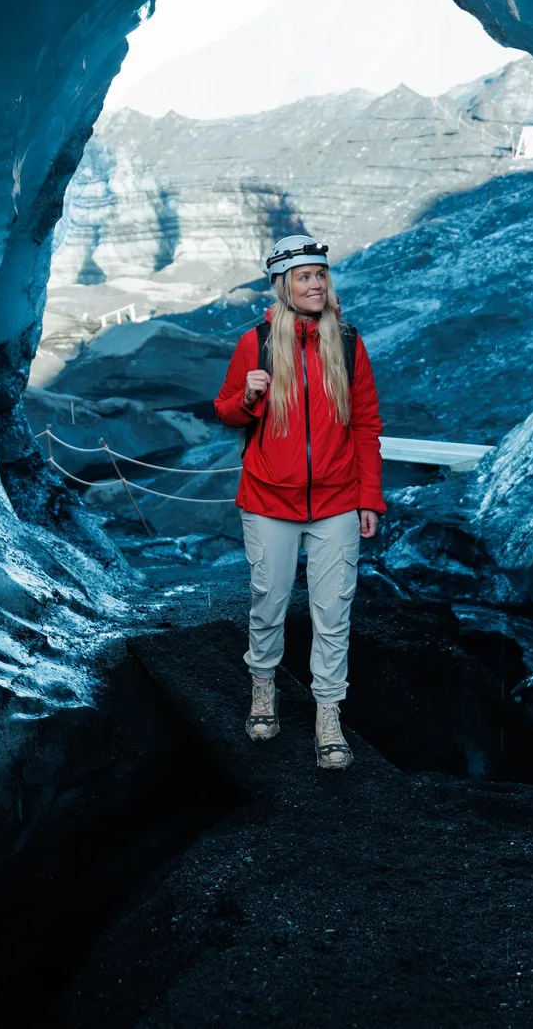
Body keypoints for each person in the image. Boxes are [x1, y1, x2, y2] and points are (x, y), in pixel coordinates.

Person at [214, 234, 386, 769]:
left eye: (320, 275)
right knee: (269, 601)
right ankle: (263, 687)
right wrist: (248, 396)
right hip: (268, 500)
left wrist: (369, 499)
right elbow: (225, 411)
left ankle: (327, 715)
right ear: (284, 285)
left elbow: (366, 427)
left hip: (336, 501)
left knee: (333, 611)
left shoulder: (350, 344)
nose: (315, 284)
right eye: (304, 277)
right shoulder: (257, 342)